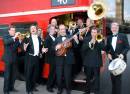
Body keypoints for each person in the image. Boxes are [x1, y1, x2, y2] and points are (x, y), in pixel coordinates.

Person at [106, 22, 130, 94]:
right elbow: (108, 48)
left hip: (120, 60)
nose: (114, 28)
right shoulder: (109, 37)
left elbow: (127, 47)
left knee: (118, 79)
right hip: (112, 60)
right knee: (112, 78)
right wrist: (108, 53)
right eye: (112, 27)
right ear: (111, 29)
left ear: (118, 28)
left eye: (115, 27)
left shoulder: (123, 36)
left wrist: (122, 54)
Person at [54, 24, 79, 94]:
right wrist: (56, 47)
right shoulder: (57, 39)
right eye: (61, 29)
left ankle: (68, 89)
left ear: (65, 29)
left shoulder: (70, 37)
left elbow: (76, 46)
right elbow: (53, 49)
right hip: (59, 60)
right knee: (59, 76)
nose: (62, 30)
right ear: (59, 30)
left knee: (68, 76)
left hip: (68, 60)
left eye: (63, 29)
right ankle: (59, 89)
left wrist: (76, 39)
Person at [23, 25, 48, 94]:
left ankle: (33, 87)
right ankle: (28, 90)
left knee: (35, 74)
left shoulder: (39, 38)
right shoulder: (27, 38)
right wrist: (24, 48)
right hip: (30, 58)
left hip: (36, 58)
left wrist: (43, 50)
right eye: (32, 28)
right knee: (29, 74)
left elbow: (40, 48)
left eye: (34, 28)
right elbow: (23, 47)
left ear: (36, 30)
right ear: (30, 30)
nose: (33, 29)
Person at [81, 27, 105, 94]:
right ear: (90, 33)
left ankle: (96, 91)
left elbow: (104, 48)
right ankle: (87, 91)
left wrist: (99, 41)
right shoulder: (86, 39)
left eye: (95, 32)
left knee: (97, 78)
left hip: (96, 62)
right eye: (92, 32)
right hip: (88, 62)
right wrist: (90, 43)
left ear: (97, 33)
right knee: (88, 78)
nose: (93, 34)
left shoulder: (99, 38)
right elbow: (83, 49)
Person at [3, 26, 21, 94]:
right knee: (7, 76)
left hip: (15, 59)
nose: (14, 31)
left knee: (13, 75)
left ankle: (11, 88)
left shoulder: (16, 38)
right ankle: (6, 90)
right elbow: (6, 42)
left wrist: (20, 40)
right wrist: (14, 37)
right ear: (9, 31)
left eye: (14, 30)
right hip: (8, 59)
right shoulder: (6, 36)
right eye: (12, 30)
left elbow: (18, 47)